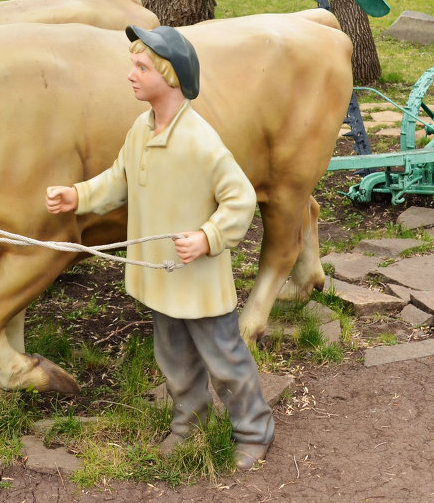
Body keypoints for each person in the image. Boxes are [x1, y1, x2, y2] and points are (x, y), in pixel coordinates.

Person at [45, 25, 274, 472]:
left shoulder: (200, 142)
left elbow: (241, 199)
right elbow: (119, 180)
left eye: (141, 67)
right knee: (175, 360)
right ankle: (188, 425)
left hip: (200, 285)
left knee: (225, 360)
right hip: (161, 276)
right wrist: (79, 196)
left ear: (170, 77)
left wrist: (208, 237)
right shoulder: (141, 129)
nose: (131, 74)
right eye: (133, 64)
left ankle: (253, 430)